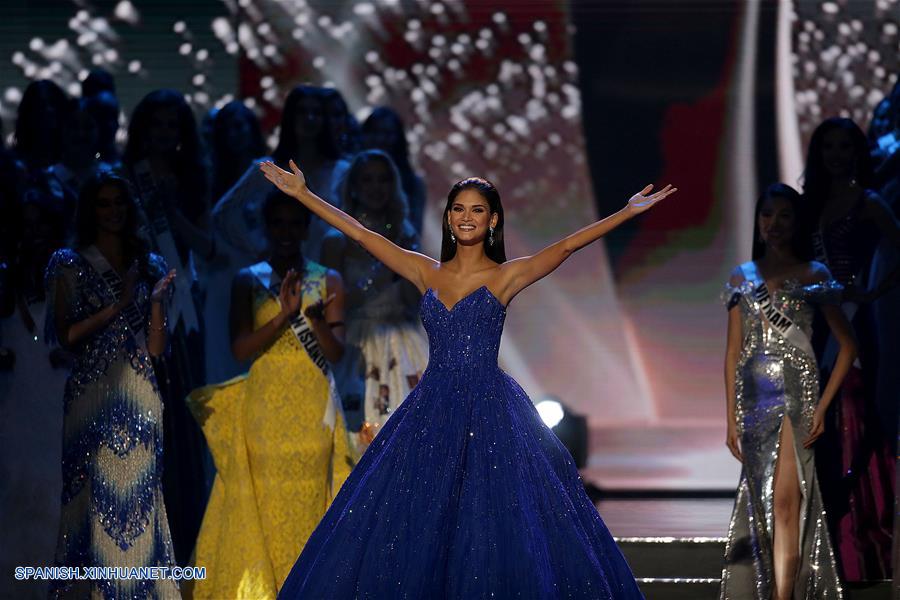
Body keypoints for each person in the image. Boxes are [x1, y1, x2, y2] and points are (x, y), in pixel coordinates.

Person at [261, 158, 675, 598]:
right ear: (447, 217)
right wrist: (304, 195)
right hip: (432, 408)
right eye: (458, 208)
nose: (466, 217)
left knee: (488, 519)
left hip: (491, 409)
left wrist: (626, 213)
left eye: (477, 210)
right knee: (423, 519)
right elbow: (363, 236)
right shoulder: (426, 271)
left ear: (493, 220)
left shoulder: (505, 276)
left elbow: (569, 245)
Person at [186, 190, 354, 599]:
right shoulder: (249, 278)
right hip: (265, 408)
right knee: (265, 504)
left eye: (294, 223)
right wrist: (283, 314)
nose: (286, 232)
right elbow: (240, 349)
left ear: (306, 228)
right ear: (266, 226)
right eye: (277, 223)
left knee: (310, 501)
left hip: (312, 409)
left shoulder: (329, 279)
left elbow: (335, 352)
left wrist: (313, 322)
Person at [43, 173, 180, 599]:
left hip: (141, 393)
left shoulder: (150, 264)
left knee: (138, 500)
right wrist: (118, 306)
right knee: (90, 502)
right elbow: (66, 336)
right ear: (90, 210)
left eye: (120, 202)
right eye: (103, 204)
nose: (114, 211)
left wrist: (154, 301)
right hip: (90, 399)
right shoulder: (68, 263)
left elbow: (157, 348)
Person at [720, 183, 854, 599]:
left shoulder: (815, 273)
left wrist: (823, 406)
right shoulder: (743, 276)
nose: (773, 224)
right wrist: (730, 419)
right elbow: (732, 352)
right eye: (766, 215)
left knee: (787, 503)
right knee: (764, 501)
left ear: (796, 223)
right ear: (757, 222)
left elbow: (848, 345)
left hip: (798, 397)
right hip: (755, 400)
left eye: (784, 216)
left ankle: (783, 596)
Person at [802, 117, 899, 581]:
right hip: (812, 320)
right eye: (828, 147)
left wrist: (873, 292)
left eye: (845, 147)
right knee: (815, 413)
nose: (837, 155)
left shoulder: (869, 202)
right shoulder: (808, 204)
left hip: (853, 319)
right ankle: (821, 541)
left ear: (858, 152)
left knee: (854, 413)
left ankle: (860, 533)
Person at [124, 89, 213, 565]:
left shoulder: (191, 183)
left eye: (171, 127)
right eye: (155, 125)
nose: (163, 136)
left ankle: (180, 538)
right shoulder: (124, 183)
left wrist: (171, 209)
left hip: (183, 320)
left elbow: (209, 247)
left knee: (180, 422)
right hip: (135, 316)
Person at [321, 149, 427, 437]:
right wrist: (377, 277)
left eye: (383, 180)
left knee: (412, 433)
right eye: (367, 180)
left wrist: (405, 262)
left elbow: (417, 301)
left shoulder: (404, 234)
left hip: (405, 344)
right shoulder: (336, 240)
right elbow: (332, 306)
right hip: (358, 347)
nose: (375, 188)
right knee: (362, 435)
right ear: (354, 186)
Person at [362, 107, 427, 234]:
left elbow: (414, 231)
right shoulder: (345, 171)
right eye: (375, 132)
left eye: (387, 133)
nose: (380, 139)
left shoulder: (413, 184)